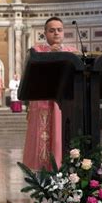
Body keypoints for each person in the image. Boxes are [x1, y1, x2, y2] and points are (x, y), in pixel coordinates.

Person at [22, 17, 77, 171]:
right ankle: (43, 166)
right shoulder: (37, 51)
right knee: (44, 135)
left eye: (59, 30)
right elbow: (30, 73)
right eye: (52, 30)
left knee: (62, 134)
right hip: (43, 101)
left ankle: (65, 164)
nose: (56, 33)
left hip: (65, 102)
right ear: (45, 33)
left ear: (63, 32)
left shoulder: (72, 52)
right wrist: (49, 56)